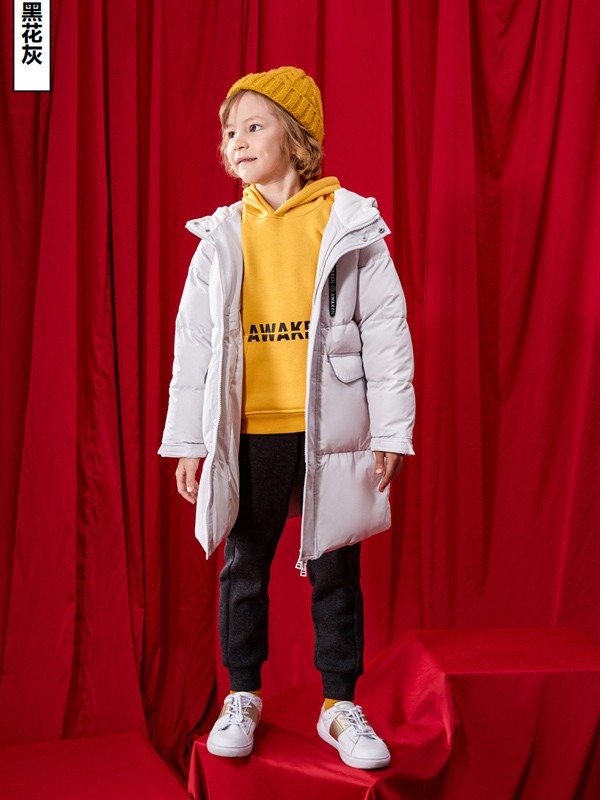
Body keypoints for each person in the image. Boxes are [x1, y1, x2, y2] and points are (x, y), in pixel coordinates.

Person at [158, 66, 415, 770]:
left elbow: (386, 333)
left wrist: (391, 430)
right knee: (244, 565)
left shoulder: (350, 224)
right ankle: (242, 693)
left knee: (336, 570)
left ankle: (339, 705)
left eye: (253, 127)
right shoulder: (222, 236)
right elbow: (194, 345)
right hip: (249, 430)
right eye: (228, 132)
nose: (235, 142)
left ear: (296, 139)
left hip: (332, 427)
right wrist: (189, 441)